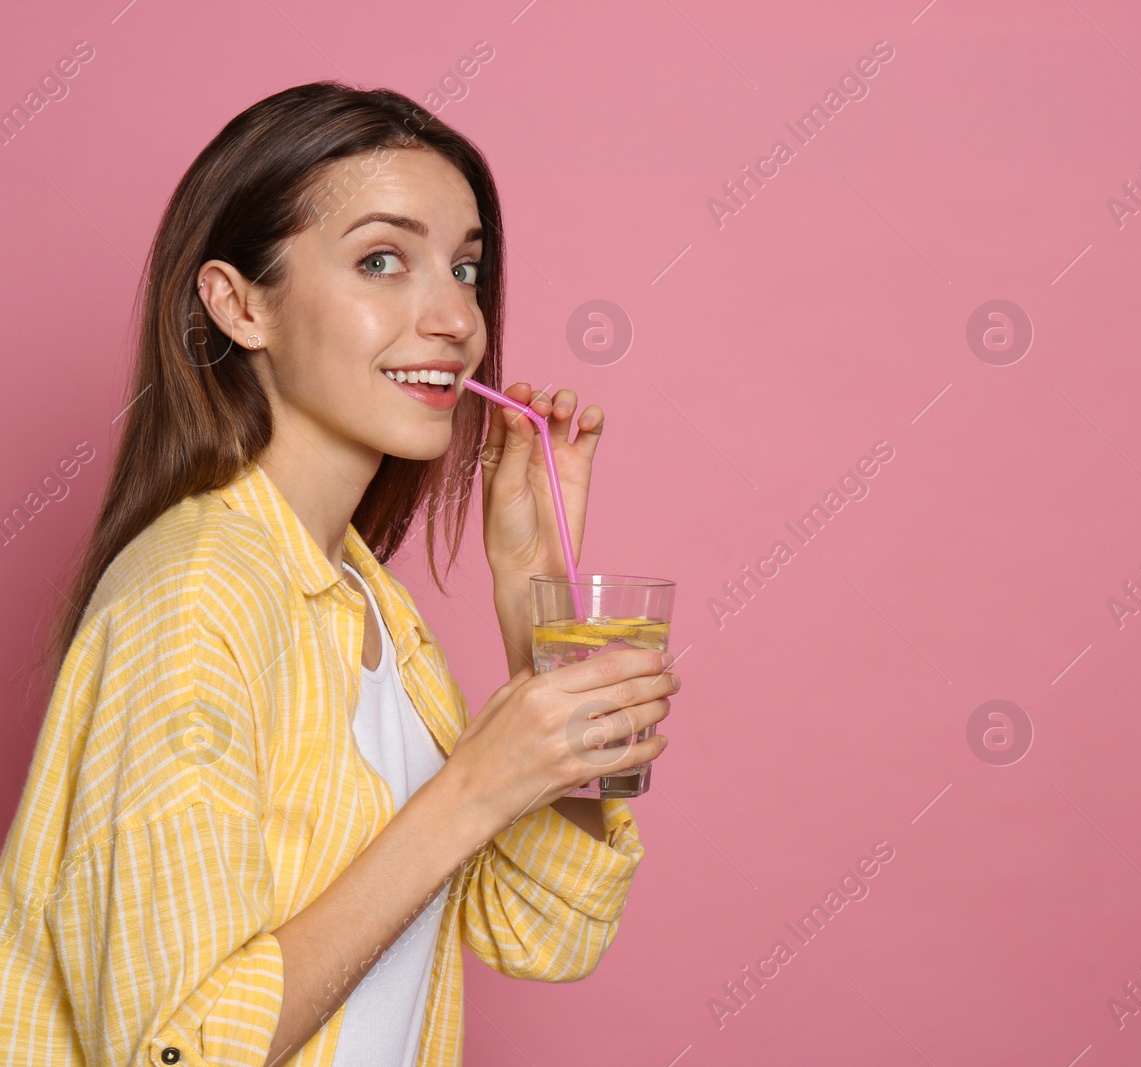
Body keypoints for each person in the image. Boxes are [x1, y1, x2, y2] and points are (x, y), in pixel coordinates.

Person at [0, 81, 676, 1066]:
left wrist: (535, 589)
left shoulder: (365, 600)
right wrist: (469, 791)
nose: (454, 317)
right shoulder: (194, 596)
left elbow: (548, 930)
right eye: (381, 260)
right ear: (239, 305)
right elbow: (174, 1051)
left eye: (468, 268)